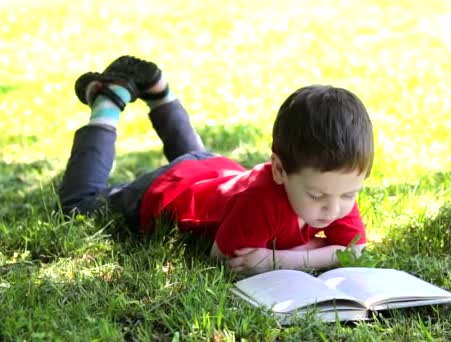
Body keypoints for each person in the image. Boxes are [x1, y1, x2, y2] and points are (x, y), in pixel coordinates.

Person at [59, 55, 375, 274]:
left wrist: (279, 259)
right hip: (171, 190)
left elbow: (354, 249)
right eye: (318, 197)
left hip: (215, 172)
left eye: (349, 195)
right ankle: (107, 103)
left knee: (196, 159)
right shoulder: (262, 201)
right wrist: (315, 248)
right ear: (279, 170)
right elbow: (225, 259)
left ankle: (158, 90)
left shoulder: (334, 181)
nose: (334, 210)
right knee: (78, 204)